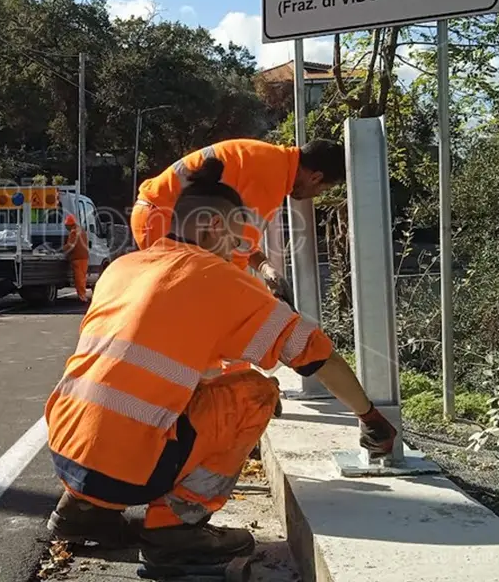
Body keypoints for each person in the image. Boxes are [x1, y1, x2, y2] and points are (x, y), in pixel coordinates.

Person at [45, 158, 396, 571]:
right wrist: (370, 417)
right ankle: (175, 529)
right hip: (124, 468)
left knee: (157, 392)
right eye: (237, 239)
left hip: (65, 448)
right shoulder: (222, 280)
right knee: (256, 393)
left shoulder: (123, 267)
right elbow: (316, 354)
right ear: (213, 227)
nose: (239, 251)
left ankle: (81, 511)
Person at [131, 138, 346, 298]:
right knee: (207, 300)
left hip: (156, 215)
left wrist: (264, 267)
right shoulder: (272, 179)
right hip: (161, 219)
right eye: (323, 189)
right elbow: (235, 259)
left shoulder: (272, 161)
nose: (316, 195)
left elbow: (238, 242)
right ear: (316, 177)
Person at [63, 214, 89, 303]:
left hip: (78, 258)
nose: (66, 228)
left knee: (79, 278)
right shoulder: (81, 230)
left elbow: (71, 245)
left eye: (66, 226)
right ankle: (82, 295)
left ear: (70, 224)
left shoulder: (74, 232)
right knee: (82, 277)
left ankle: (82, 296)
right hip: (83, 257)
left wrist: (62, 250)